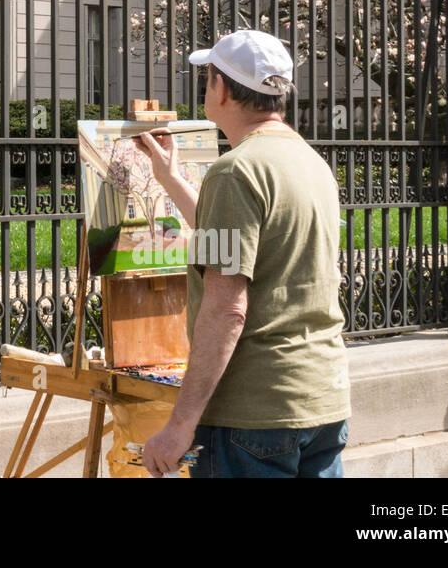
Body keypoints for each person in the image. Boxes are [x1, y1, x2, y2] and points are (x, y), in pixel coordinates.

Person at [134, 29, 350, 478]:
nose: (205, 88)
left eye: (207, 77)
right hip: (322, 399)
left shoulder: (236, 171)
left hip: (254, 417)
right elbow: (240, 242)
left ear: (223, 88)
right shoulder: (310, 162)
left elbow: (227, 308)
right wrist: (172, 179)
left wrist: (179, 425)